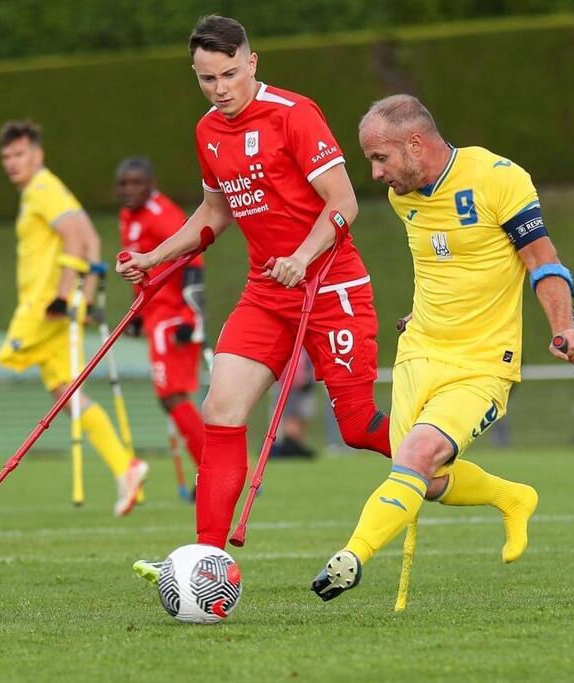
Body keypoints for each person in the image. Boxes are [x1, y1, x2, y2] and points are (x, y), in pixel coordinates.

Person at [119, 16, 391, 564]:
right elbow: (214, 214)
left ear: (252, 62)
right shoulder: (207, 132)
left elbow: (344, 203)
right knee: (220, 409)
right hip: (266, 294)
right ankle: (206, 560)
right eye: (205, 79)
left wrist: (301, 256)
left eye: (228, 74)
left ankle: (445, 459)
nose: (219, 89)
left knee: (359, 427)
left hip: (331, 287)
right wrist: (154, 257)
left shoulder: (295, 115)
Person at [311, 95, 574, 601]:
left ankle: (349, 559)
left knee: (416, 456)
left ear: (415, 144)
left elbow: (543, 262)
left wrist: (565, 326)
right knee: (425, 477)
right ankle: (511, 496)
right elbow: (446, 264)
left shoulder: (497, 178)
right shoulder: (403, 197)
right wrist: (423, 314)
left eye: (380, 158)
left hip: (482, 362)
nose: (374, 174)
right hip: (418, 352)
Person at [0, 120, 148, 517]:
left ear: (37, 155)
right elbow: (92, 239)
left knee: (11, 363)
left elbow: (77, 240)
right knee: (66, 394)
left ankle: (124, 467)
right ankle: (125, 468)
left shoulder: (43, 188)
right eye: (7, 156)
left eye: (20, 154)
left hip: (44, 311)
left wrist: (65, 298)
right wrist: (89, 296)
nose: (12, 163)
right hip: (53, 308)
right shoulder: (41, 191)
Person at [116, 156, 207, 473]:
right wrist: (138, 313)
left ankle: (214, 469)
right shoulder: (128, 216)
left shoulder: (161, 214)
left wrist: (191, 316)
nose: (129, 190)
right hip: (154, 316)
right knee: (172, 397)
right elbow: (140, 268)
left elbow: (193, 259)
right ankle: (216, 468)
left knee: (172, 395)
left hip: (173, 317)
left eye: (137, 183)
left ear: (151, 184)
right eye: (124, 184)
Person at [270, 352, 317, 458]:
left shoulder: (306, 350)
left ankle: (296, 447)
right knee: (291, 419)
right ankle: (292, 447)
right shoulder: (289, 348)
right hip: (288, 386)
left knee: (301, 418)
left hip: (303, 387)